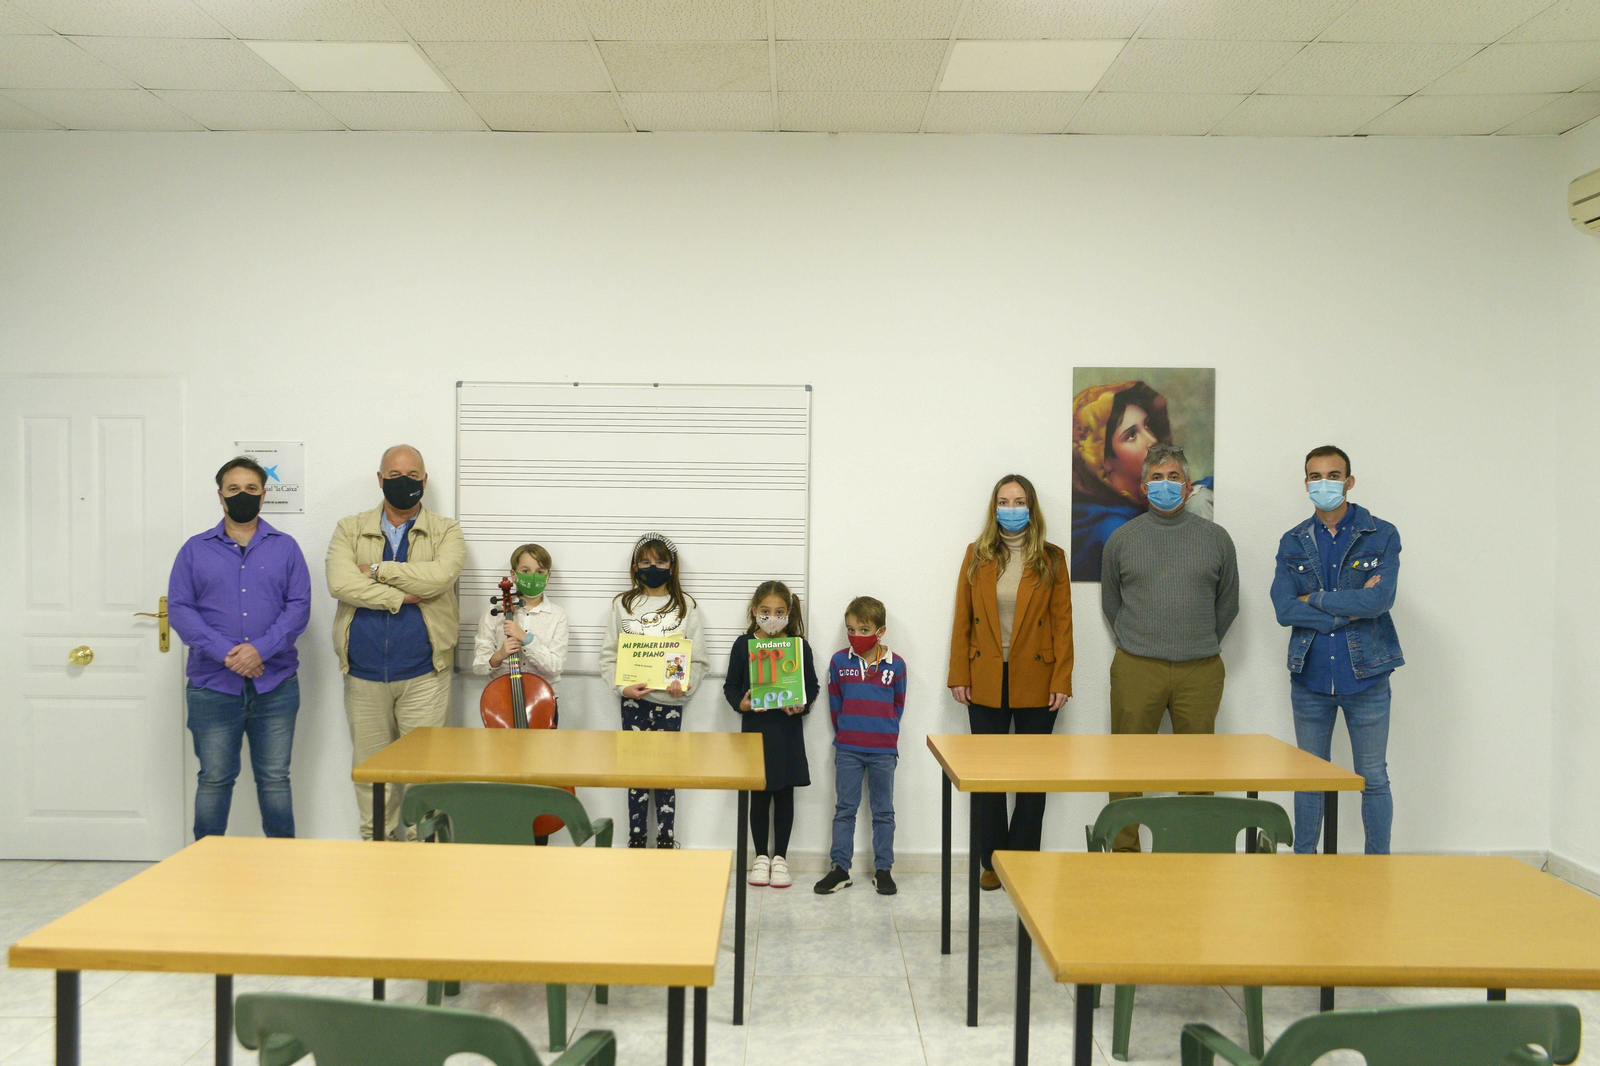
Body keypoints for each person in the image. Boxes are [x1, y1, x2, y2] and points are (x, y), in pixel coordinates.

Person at [1100, 443, 1239, 851]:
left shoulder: (1216, 539)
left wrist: (1198, 640)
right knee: (1126, 766)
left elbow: (1227, 603)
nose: (1165, 484)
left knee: (1198, 769)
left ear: (1188, 485)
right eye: (1156, 478)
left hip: (1200, 669)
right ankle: (1125, 851)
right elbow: (1112, 602)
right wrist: (1139, 639)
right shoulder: (1122, 539)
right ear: (1143, 487)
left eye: (1173, 476)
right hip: (1136, 666)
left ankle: (1193, 849)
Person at [167, 456, 311, 840]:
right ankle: (204, 868)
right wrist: (229, 654)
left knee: (275, 779)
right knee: (214, 779)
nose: (242, 496)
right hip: (212, 686)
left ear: (263, 496)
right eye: (234, 489)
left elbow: (298, 608)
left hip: (276, 686)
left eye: (251, 489)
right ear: (220, 496)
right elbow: (180, 609)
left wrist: (259, 651)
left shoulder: (286, 548)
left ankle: (282, 864)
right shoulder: (194, 550)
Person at [326, 444, 464, 841]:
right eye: (394, 476)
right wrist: (399, 594)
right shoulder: (349, 528)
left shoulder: (447, 530)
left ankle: (427, 863)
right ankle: (377, 861)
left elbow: (440, 577)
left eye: (412, 476)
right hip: (364, 676)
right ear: (380, 479)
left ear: (424, 480)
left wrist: (377, 571)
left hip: (425, 674)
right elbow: (340, 582)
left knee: (426, 780)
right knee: (373, 780)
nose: (403, 482)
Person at [1271, 445, 1403, 855]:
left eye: (1333, 475)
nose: (1323, 483)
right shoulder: (1293, 541)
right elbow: (1282, 608)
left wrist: (1315, 600)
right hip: (1309, 678)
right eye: (1315, 476)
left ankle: (1377, 864)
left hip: (1367, 677)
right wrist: (1345, 607)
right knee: (1309, 777)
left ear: (1349, 481)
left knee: (1372, 777)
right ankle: (1304, 861)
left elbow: (1377, 602)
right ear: (1305, 482)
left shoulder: (1381, 533)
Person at [948, 474, 1073, 890]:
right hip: (984, 676)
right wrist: (958, 674)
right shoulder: (976, 555)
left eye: (1019, 501)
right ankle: (993, 860)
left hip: (1036, 677)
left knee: (1031, 779)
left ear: (1031, 507)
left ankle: (1022, 861)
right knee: (988, 779)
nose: (1012, 507)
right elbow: (962, 620)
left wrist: (1062, 679)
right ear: (994, 507)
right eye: (1004, 500)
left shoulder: (1053, 559)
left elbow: (1062, 625)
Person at [598, 533, 707, 849]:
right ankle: (635, 838)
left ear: (672, 567)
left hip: (671, 704)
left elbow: (698, 659)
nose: (653, 567)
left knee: (667, 774)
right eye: (645, 562)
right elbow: (609, 655)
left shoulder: (686, 606)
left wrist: (684, 687)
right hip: (634, 702)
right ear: (635, 567)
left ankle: (666, 838)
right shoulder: (623, 604)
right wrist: (622, 687)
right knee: (634, 775)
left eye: (660, 562)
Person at [723, 581, 819, 889]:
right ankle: (760, 857)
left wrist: (801, 706)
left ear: (789, 613)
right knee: (759, 795)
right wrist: (744, 703)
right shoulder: (743, 645)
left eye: (779, 612)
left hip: (787, 731)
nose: (772, 618)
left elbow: (812, 686)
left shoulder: (799, 646)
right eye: (765, 612)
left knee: (785, 794)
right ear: (754, 611)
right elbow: (731, 688)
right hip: (756, 732)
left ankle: (781, 858)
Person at [1071, 380, 1214, 581]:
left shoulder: (1154, 502)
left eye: (1147, 425)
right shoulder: (1111, 527)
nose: (1153, 440)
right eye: (1131, 435)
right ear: (1101, 460)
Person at [815, 596, 906, 896]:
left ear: (880, 631)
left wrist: (883, 732)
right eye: (851, 628)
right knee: (845, 809)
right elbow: (834, 703)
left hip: (883, 751)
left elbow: (898, 706)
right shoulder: (839, 662)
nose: (856, 635)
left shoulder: (897, 666)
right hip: (848, 749)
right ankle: (840, 868)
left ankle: (884, 869)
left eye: (864, 629)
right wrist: (847, 732)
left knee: (883, 811)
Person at [472, 542, 569, 707]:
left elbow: (555, 667)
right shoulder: (494, 612)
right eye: (525, 571)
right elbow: (479, 667)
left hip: (542, 700)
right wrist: (499, 655)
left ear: (548, 576)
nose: (532, 576)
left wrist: (526, 639)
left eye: (540, 572)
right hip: (501, 699)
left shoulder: (557, 615)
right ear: (514, 574)